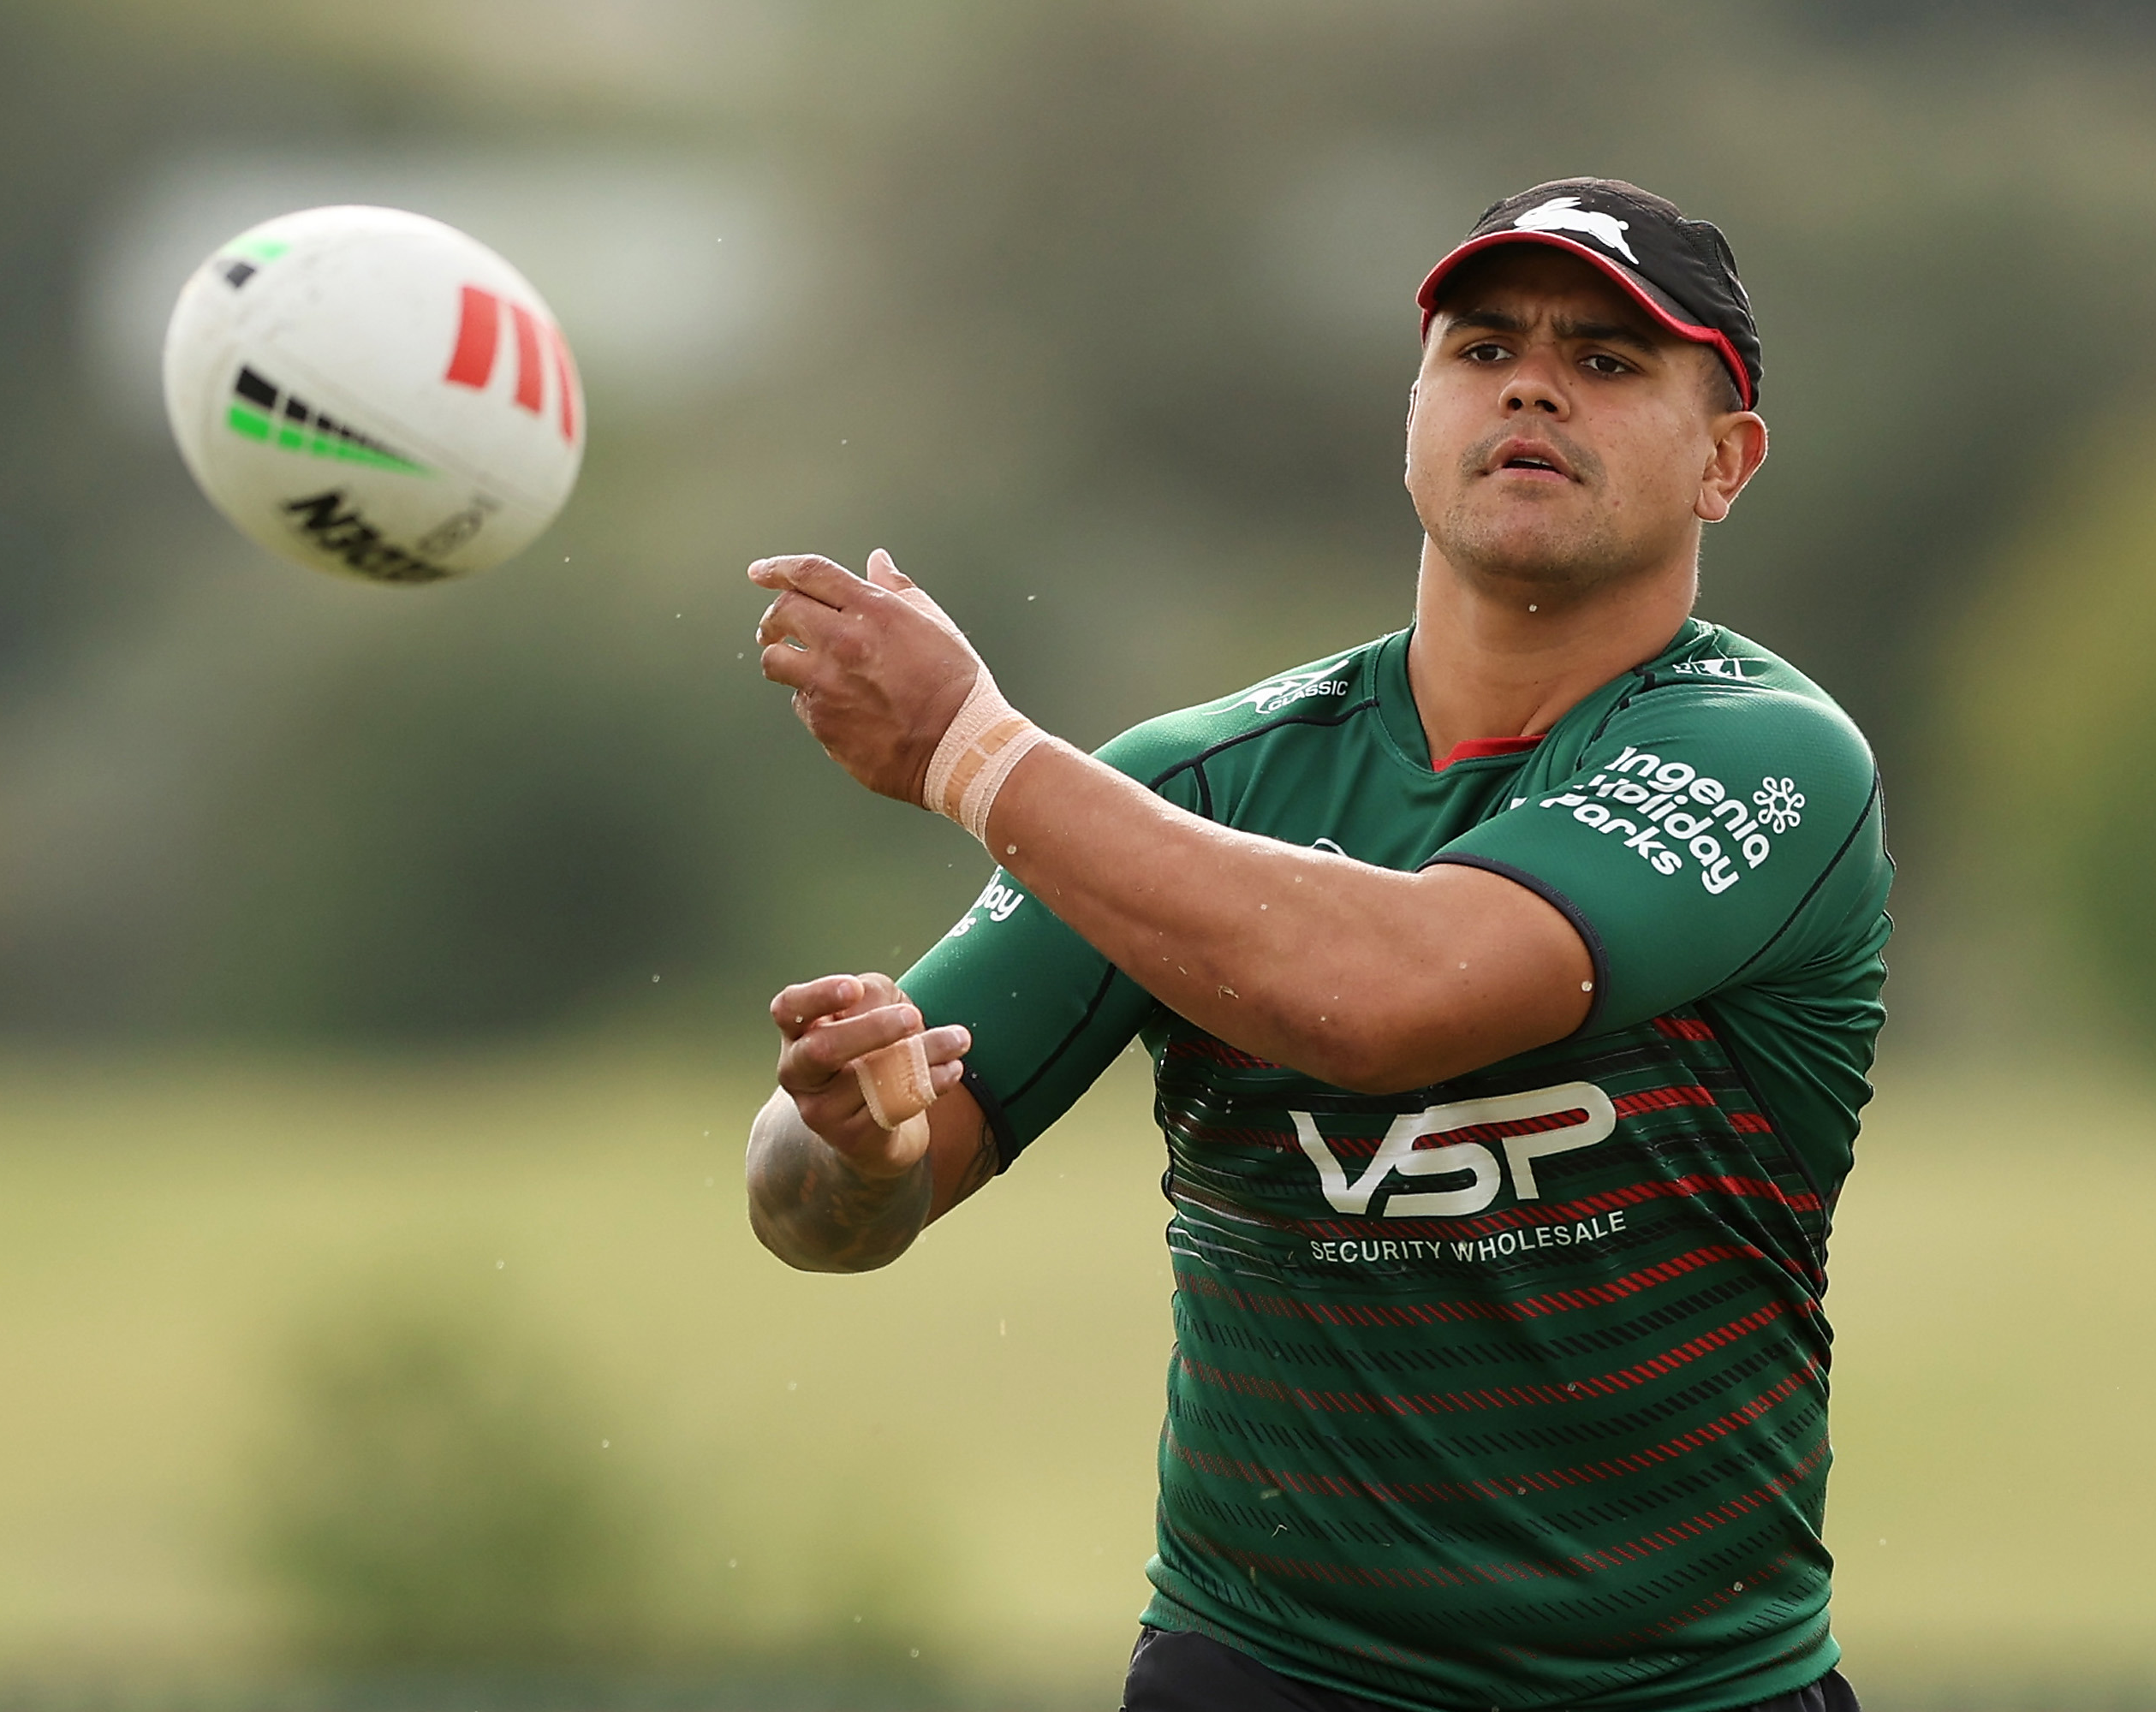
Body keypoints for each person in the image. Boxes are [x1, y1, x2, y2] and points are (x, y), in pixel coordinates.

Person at [744, 178, 1889, 1712]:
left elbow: (1392, 995)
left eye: (1610, 363)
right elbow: (814, 1213)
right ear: (1411, 413)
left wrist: (972, 751)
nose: (1533, 383)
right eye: (1482, 350)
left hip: (1691, 1690)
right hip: (1267, 1676)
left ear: (1725, 463)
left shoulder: (1773, 758)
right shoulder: (1194, 787)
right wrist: (864, 1146)